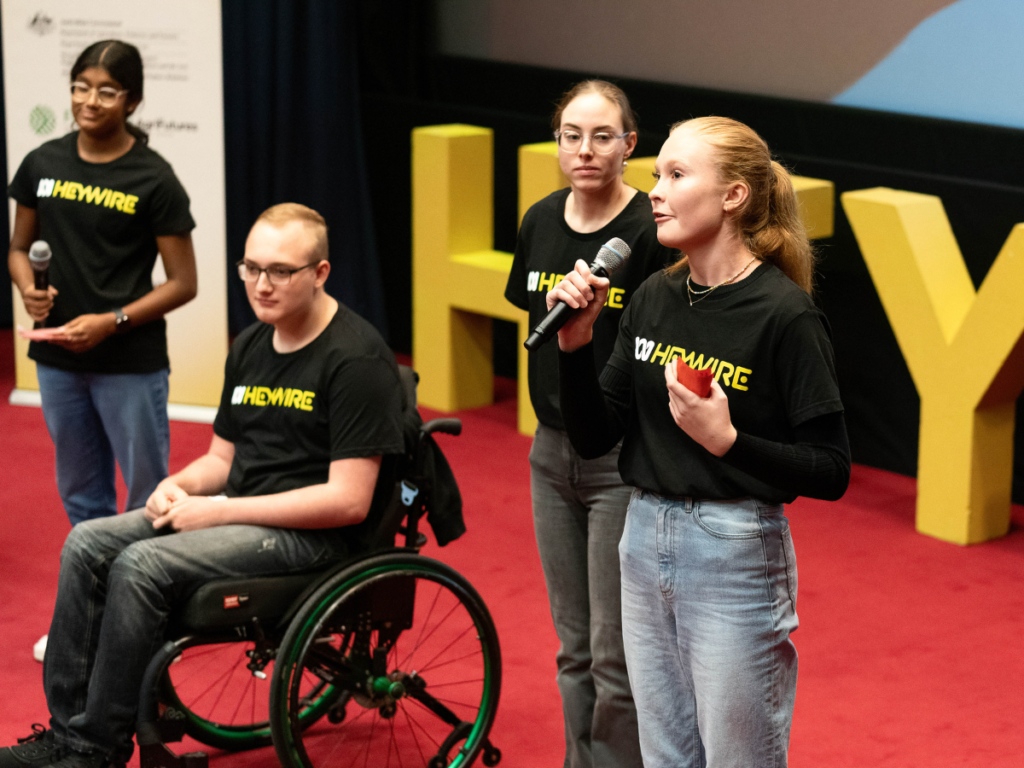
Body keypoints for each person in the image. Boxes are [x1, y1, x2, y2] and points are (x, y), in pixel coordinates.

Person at [0, 203, 406, 768]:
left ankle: (95, 750)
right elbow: (222, 458)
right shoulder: (251, 346)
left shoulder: (356, 360)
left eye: (281, 272)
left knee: (141, 565)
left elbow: (348, 500)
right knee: (87, 542)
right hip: (242, 514)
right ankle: (67, 735)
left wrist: (219, 513)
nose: (261, 285)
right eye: (251, 268)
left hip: (316, 539)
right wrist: (178, 484)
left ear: (320, 273)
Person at [550, 116, 851, 767]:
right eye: (656, 174)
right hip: (642, 536)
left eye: (676, 175)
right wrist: (574, 350)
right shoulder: (655, 295)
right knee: (665, 758)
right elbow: (596, 433)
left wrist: (729, 441)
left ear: (734, 195)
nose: (654, 190)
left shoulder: (784, 314)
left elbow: (830, 470)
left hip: (734, 552)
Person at [504, 80, 673, 768]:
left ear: (630, 145)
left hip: (619, 460)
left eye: (603, 136)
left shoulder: (650, 233)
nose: (585, 149)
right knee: (572, 646)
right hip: (550, 455)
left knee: (613, 653)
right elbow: (536, 332)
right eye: (572, 135)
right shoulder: (541, 220)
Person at [7, 39, 197, 531]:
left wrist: (111, 322)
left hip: (128, 362)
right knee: (80, 494)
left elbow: (183, 283)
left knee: (146, 499)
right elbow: (17, 249)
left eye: (106, 91)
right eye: (80, 87)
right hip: (57, 359)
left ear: (131, 101)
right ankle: (97, 594)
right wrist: (29, 286)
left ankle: (147, 596)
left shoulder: (154, 179)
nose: (89, 101)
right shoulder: (41, 164)